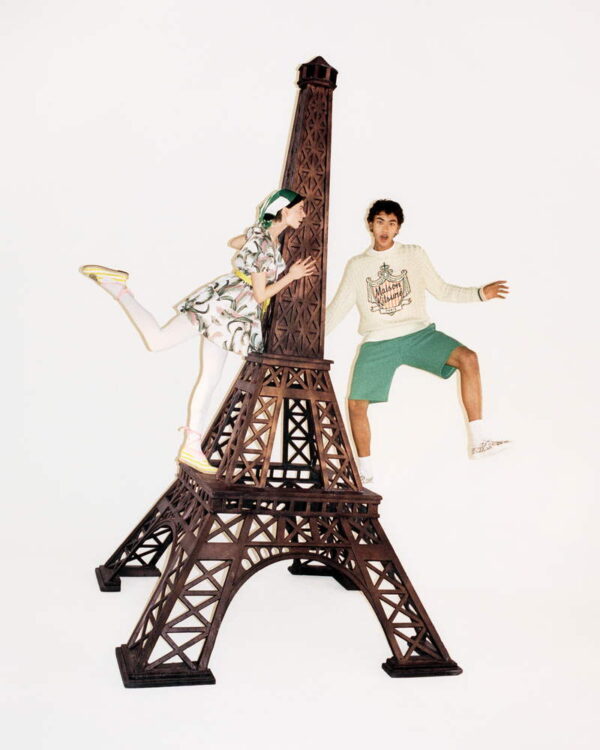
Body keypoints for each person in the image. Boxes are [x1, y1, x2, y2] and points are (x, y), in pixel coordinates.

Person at [80, 189, 316, 474]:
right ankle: (117, 288)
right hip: (224, 309)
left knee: (210, 377)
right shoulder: (266, 245)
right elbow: (260, 294)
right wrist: (291, 276)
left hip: (227, 309)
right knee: (159, 342)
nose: (304, 214)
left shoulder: (263, 237)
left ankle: (192, 446)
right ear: (284, 211)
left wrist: (256, 237)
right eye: (299, 209)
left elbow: (234, 242)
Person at [325, 198, 509, 483]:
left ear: (398, 228)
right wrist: (305, 338)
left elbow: (442, 290)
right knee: (356, 404)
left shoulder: (413, 254)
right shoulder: (357, 266)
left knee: (468, 358)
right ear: (370, 225)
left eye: (392, 223)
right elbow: (337, 309)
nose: (385, 228)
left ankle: (479, 440)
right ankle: (365, 471)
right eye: (380, 222)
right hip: (378, 341)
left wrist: (480, 294)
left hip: (418, 334)